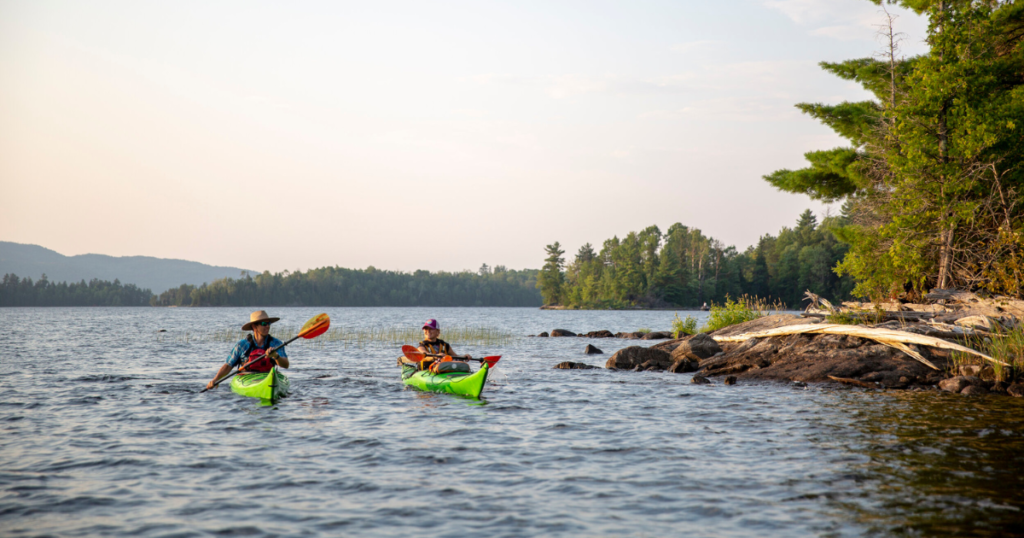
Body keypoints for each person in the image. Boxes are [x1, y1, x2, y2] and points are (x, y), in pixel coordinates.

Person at [206, 310, 290, 390]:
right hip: (247, 378)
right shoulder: (242, 345)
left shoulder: (276, 343)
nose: (267, 326)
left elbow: (286, 365)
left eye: (269, 323)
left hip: (268, 377)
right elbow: (228, 366)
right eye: (264, 323)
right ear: (254, 326)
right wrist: (215, 380)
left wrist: (276, 356)